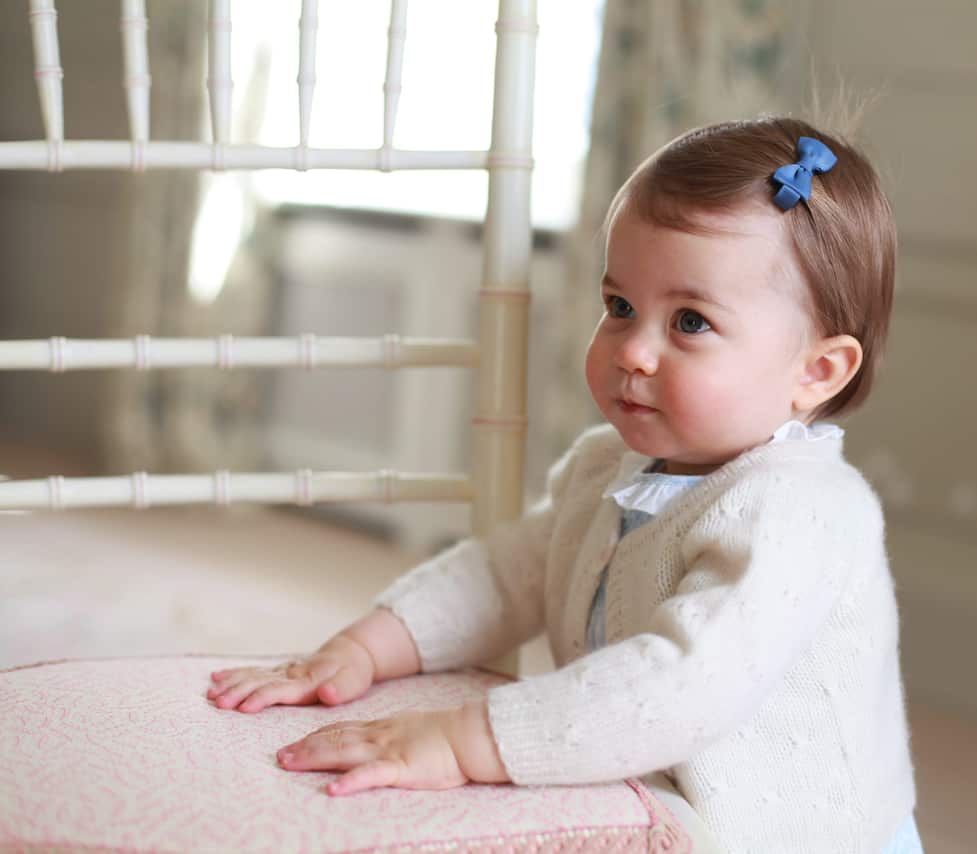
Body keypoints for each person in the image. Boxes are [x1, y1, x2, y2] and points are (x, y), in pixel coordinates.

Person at [207, 115, 921, 854]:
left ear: (817, 371)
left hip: (798, 836)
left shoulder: (803, 512)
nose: (634, 352)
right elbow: (503, 575)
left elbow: (679, 687)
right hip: (651, 797)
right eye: (620, 308)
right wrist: (368, 646)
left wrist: (461, 742)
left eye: (689, 322)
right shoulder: (603, 466)